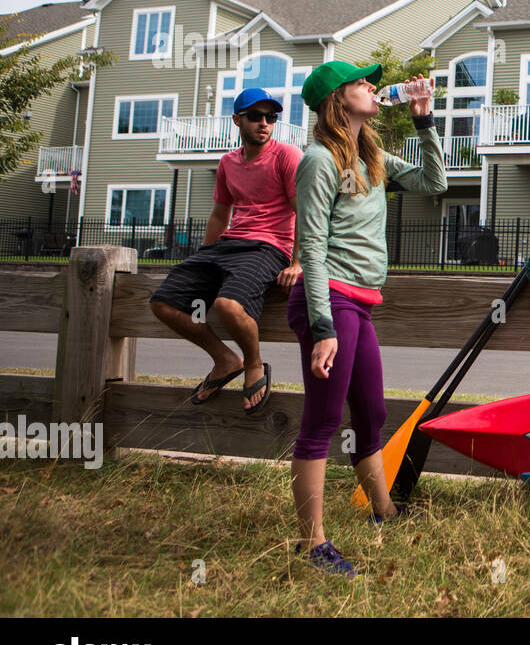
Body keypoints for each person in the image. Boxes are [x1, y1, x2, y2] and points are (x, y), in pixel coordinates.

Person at [288, 60, 446, 576]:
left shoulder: (371, 156)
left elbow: (433, 182)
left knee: (372, 413)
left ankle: (384, 511)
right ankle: (312, 544)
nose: (373, 87)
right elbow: (310, 246)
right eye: (361, 82)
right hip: (329, 301)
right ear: (337, 99)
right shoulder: (319, 160)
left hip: (360, 301)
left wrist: (425, 120)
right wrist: (323, 329)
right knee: (322, 421)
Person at [149, 87, 302, 413]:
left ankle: (253, 363)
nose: (264, 123)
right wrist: (204, 262)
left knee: (228, 306)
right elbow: (221, 214)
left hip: (268, 246)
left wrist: (298, 262)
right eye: (255, 116)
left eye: (271, 117)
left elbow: (305, 210)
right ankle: (224, 358)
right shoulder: (228, 163)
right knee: (164, 303)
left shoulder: (286, 156)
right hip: (226, 246)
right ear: (237, 120)